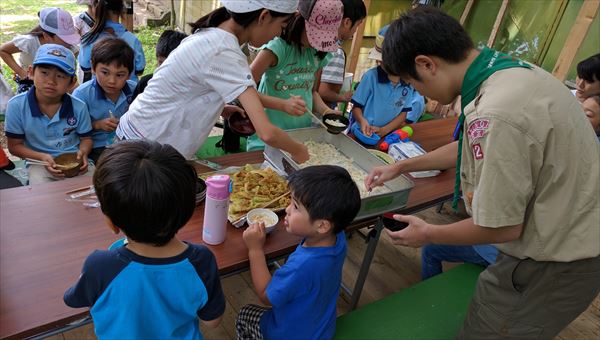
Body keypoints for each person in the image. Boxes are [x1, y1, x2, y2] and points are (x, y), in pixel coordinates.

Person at [365, 8, 599, 339]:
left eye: (411, 83)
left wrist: (428, 233)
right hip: (569, 240)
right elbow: (470, 147)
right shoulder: (512, 73)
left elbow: (500, 225)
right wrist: (402, 165)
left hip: (553, 261)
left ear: (426, 64)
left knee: (489, 329)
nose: (419, 94)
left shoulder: (497, 113)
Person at [63, 140, 225, 339]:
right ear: (187, 212)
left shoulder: (100, 266)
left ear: (111, 223)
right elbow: (212, 321)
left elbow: (72, 299)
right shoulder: (201, 260)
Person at [116, 0, 309, 163]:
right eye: (281, 27)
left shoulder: (213, 35)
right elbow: (267, 133)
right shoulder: (224, 50)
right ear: (264, 16)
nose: (278, 34)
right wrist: (298, 149)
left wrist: (220, 107)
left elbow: (193, 87)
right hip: (144, 148)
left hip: (141, 135)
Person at [237, 165, 361, 339]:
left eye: (295, 206)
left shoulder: (301, 267)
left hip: (289, 334)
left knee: (244, 314)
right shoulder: (337, 238)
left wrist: (255, 249)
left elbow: (266, 296)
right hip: (320, 328)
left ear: (322, 225)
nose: (287, 209)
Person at [247, 0, 344, 151]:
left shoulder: (318, 54)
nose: (316, 43)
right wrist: (283, 104)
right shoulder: (277, 48)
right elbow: (243, 90)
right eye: (315, 35)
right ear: (299, 21)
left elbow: (312, 92)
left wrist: (326, 111)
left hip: (300, 138)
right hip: (267, 139)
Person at [4, 44, 93, 184]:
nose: (51, 81)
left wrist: (83, 152)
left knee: (95, 188)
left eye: (60, 76)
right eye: (44, 73)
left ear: (72, 82)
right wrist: (42, 157)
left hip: (74, 161)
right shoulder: (17, 106)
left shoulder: (78, 107)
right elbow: (14, 146)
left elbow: (86, 139)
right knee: (41, 192)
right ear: (31, 72)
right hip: (39, 163)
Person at [350, 25, 425, 138]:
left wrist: (385, 130)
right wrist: (362, 121)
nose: (380, 63)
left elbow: (403, 113)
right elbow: (356, 107)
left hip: (386, 135)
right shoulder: (371, 77)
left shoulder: (408, 83)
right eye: (380, 60)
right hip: (361, 132)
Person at [72, 37, 136, 163]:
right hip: (97, 147)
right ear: (93, 68)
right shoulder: (82, 95)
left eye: (120, 75)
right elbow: (71, 128)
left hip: (129, 144)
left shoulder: (135, 91)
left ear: (129, 74)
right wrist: (97, 124)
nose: (112, 81)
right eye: (105, 72)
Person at [0, 7, 80, 93]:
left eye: (70, 37)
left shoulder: (71, 47)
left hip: (56, 84)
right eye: (65, 39)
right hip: (30, 83)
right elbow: (3, 50)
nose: (69, 43)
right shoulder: (29, 42)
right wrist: (22, 73)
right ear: (46, 36)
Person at [79, 0, 145, 82]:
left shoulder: (88, 39)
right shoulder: (132, 40)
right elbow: (139, 70)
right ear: (122, 9)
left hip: (99, 92)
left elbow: (85, 66)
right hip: (129, 92)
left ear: (96, 8)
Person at [318, 0, 367, 109]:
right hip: (320, 112)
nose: (355, 31)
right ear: (347, 22)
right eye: (357, 25)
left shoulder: (319, 41)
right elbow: (323, 91)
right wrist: (343, 98)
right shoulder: (336, 52)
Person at [132, 29, 188, 101]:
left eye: (170, 65)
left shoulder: (188, 89)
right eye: (161, 63)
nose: (165, 70)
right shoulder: (145, 85)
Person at [420, 244, 498, 280]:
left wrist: (429, 231)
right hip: (501, 253)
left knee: (429, 248)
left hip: (491, 253)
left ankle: (431, 293)